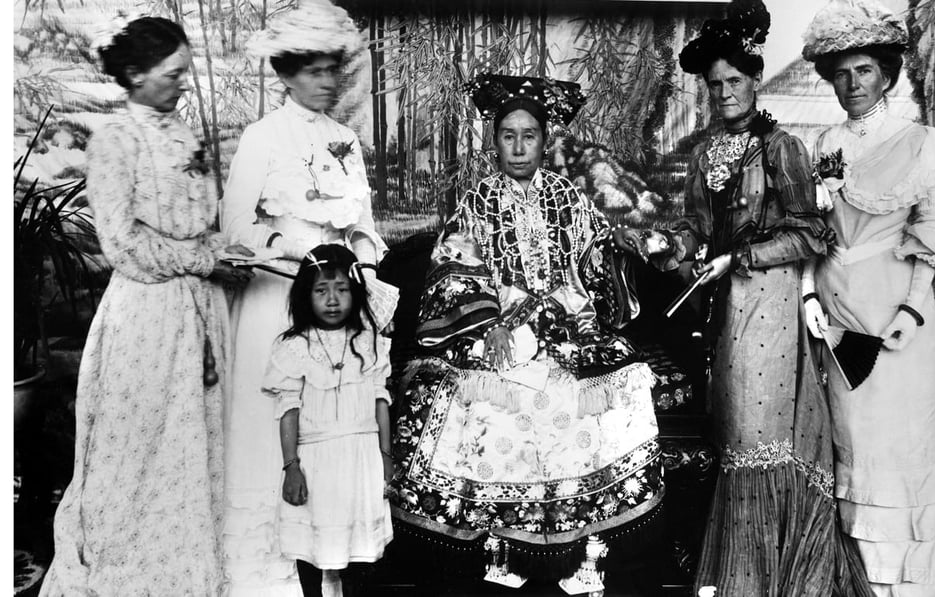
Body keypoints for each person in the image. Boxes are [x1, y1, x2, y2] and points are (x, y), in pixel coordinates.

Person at [614, 0, 872, 594]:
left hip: (774, 303)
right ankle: (743, 572)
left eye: (734, 81)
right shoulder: (705, 153)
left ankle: (774, 577)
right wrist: (661, 242)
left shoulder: (781, 147)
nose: (725, 93)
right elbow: (697, 232)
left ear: (755, 81)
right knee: (735, 435)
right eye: (715, 85)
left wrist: (742, 257)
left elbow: (811, 234)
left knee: (763, 436)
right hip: (729, 311)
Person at [388, 73, 665, 595]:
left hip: (566, 323)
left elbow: (593, 258)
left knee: (607, 390)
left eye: (529, 136)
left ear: (544, 141)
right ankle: (501, 545)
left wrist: (617, 247)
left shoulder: (567, 196)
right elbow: (453, 268)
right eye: (508, 136)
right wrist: (491, 322)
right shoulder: (478, 200)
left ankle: (586, 543)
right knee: (480, 400)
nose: (518, 147)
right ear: (494, 142)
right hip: (498, 325)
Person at [801, 1, 935, 594]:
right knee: (852, 441)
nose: (852, 84)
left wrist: (911, 309)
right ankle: (859, 579)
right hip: (837, 313)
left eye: (864, 71)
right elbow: (812, 235)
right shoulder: (822, 143)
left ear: (887, 75)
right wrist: (809, 295)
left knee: (900, 444)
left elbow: (934, 230)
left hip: (898, 312)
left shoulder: (920, 141)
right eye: (841, 74)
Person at [39, 15, 254, 596]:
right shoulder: (115, 140)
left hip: (200, 311)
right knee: (137, 444)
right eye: (173, 73)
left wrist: (225, 252)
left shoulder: (184, 134)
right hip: (147, 315)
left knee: (190, 445)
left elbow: (200, 223)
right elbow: (122, 243)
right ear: (135, 73)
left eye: (185, 72)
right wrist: (203, 260)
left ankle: (183, 569)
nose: (183, 83)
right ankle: (129, 569)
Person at [219, 1, 394, 595]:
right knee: (277, 424)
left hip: (338, 304)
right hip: (278, 299)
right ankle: (269, 574)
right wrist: (297, 248)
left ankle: (331, 562)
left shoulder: (345, 139)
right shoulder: (262, 137)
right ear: (287, 74)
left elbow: (365, 226)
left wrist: (361, 268)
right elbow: (236, 225)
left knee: (335, 430)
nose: (327, 82)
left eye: (332, 70)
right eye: (314, 71)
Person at [264, 244, 395, 597]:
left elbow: (380, 400)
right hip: (316, 461)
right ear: (306, 296)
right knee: (310, 538)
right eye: (321, 290)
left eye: (342, 290)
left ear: (356, 293)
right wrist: (291, 467)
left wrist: (385, 456)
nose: (332, 300)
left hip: (361, 458)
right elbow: (288, 410)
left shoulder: (369, 343)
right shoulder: (295, 346)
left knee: (358, 547)